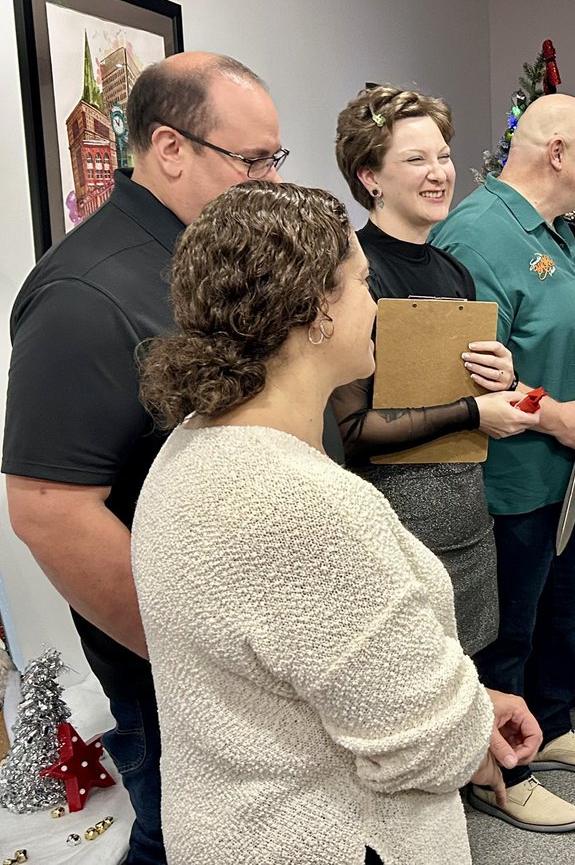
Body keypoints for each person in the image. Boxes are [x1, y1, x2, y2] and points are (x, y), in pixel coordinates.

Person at [131, 181, 539, 864]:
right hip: (331, 835)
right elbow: (427, 750)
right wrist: (463, 730)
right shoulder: (301, 505)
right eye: (362, 283)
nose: (374, 305)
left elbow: (309, 670)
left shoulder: (192, 445)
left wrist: (464, 700)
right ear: (317, 308)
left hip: (236, 825)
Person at [3, 52, 298, 863]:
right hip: (183, 668)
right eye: (252, 161)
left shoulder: (207, 257)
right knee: (186, 839)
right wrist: (190, 647)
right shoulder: (87, 296)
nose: (271, 181)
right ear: (170, 148)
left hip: (254, 639)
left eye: (277, 158)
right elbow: (48, 510)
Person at [430, 94, 575, 832]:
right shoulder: (477, 237)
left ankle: (554, 721)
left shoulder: (554, 230)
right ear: (555, 153)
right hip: (520, 473)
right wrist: (557, 415)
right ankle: (500, 771)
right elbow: (468, 372)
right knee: (510, 624)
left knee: (564, 608)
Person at [332, 85, 537, 656]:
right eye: (415, 159)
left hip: (466, 516)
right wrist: (475, 410)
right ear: (369, 175)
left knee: (473, 684)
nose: (438, 173)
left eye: (443, 156)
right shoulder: (351, 274)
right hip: (392, 529)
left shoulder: (454, 273)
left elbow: (444, 387)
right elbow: (350, 433)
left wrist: (498, 376)